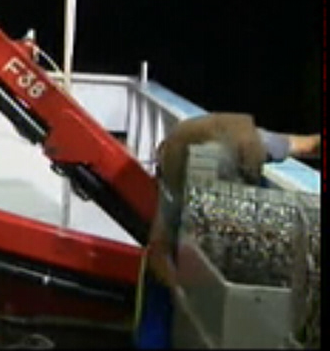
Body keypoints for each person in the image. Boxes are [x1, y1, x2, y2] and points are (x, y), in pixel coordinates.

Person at [135, 112, 321, 349]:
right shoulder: (176, 177)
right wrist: (183, 291)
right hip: (181, 267)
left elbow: (310, 145)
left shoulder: (256, 142)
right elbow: (158, 249)